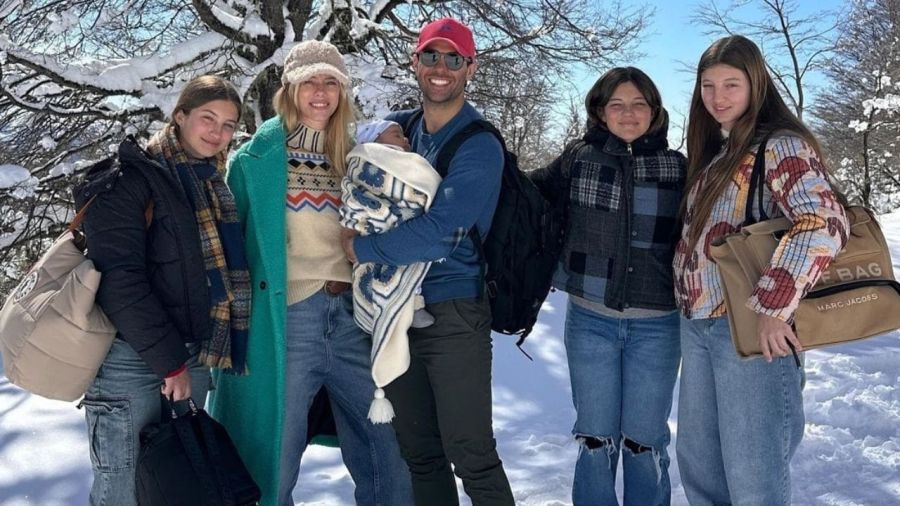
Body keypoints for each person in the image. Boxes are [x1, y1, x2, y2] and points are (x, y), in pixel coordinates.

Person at [207, 40, 412, 506]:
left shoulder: (357, 157)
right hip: (288, 319)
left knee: (386, 446)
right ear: (289, 89)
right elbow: (225, 252)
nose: (320, 93)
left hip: (354, 319)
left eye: (331, 83)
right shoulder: (253, 162)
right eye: (309, 82)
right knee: (274, 453)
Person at [342, 17, 515, 506]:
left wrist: (362, 249)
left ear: (470, 68)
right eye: (431, 57)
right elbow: (349, 144)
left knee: (471, 453)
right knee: (419, 453)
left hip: (453, 311)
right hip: (393, 311)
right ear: (414, 62)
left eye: (453, 59)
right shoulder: (403, 130)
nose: (441, 69)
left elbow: (442, 234)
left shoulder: (478, 143)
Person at [674, 35, 849, 504]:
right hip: (701, 327)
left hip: (752, 332)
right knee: (701, 466)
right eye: (708, 86)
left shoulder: (781, 145)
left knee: (754, 474)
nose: (718, 97)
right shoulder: (718, 150)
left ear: (756, 85)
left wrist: (773, 307)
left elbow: (824, 223)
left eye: (732, 84)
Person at [75, 75, 248, 505]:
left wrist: (182, 362)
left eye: (228, 124)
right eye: (208, 118)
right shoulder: (130, 179)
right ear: (179, 116)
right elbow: (119, 280)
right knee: (121, 487)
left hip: (190, 358)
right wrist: (170, 363)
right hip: (130, 361)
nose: (218, 132)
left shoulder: (211, 184)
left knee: (173, 490)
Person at [529, 67, 686, 506]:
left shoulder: (678, 167)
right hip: (590, 320)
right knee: (595, 437)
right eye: (617, 104)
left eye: (639, 104)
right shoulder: (579, 159)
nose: (628, 113)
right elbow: (525, 194)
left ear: (654, 111)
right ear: (600, 111)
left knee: (645, 440)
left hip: (658, 324)